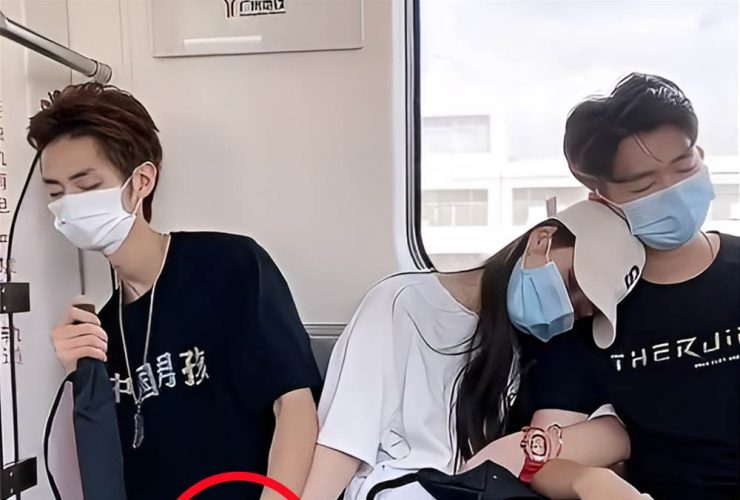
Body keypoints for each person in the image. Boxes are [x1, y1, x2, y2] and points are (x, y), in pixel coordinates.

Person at [28, 82, 322, 499]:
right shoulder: (100, 331)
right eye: (56, 193)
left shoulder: (230, 266)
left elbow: (294, 405)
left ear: (141, 181)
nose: (69, 206)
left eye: (87, 186)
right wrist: (79, 375)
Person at [302, 200, 649, 499]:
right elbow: (344, 442)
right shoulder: (400, 303)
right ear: (541, 240)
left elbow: (609, 435)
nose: (566, 309)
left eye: (581, 311)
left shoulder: (530, 347)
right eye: (571, 283)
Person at [513, 73, 740, 499]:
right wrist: (585, 480)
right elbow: (541, 458)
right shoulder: (594, 308)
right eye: (644, 185)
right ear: (601, 198)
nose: (674, 190)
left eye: (685, 167)